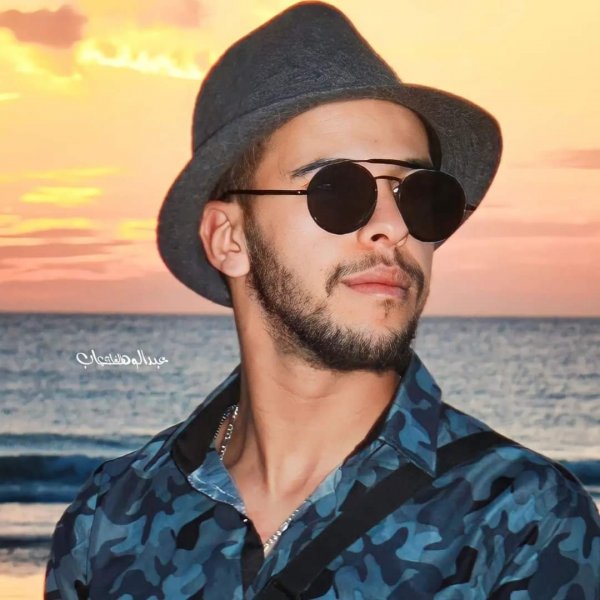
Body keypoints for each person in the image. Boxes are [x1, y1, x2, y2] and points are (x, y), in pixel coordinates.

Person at [45, 3, 600, 598]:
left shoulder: (523, 522)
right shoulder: (109, 519)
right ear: (229, 239)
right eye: (337, 189)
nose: (393, 227)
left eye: (420, 196)